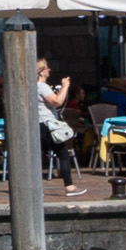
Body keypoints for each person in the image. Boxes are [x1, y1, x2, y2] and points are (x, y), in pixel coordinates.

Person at [35, 58, 82, 195]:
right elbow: (57, 101)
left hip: (40, 124)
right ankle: (70, 187)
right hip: (47, 125)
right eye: (46, 67)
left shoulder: (34, 86)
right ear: (41, 71)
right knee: (62, 153)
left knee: (40, 156)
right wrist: (65, 86)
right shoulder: (42, 87)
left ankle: (35, 188)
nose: (49, 69)